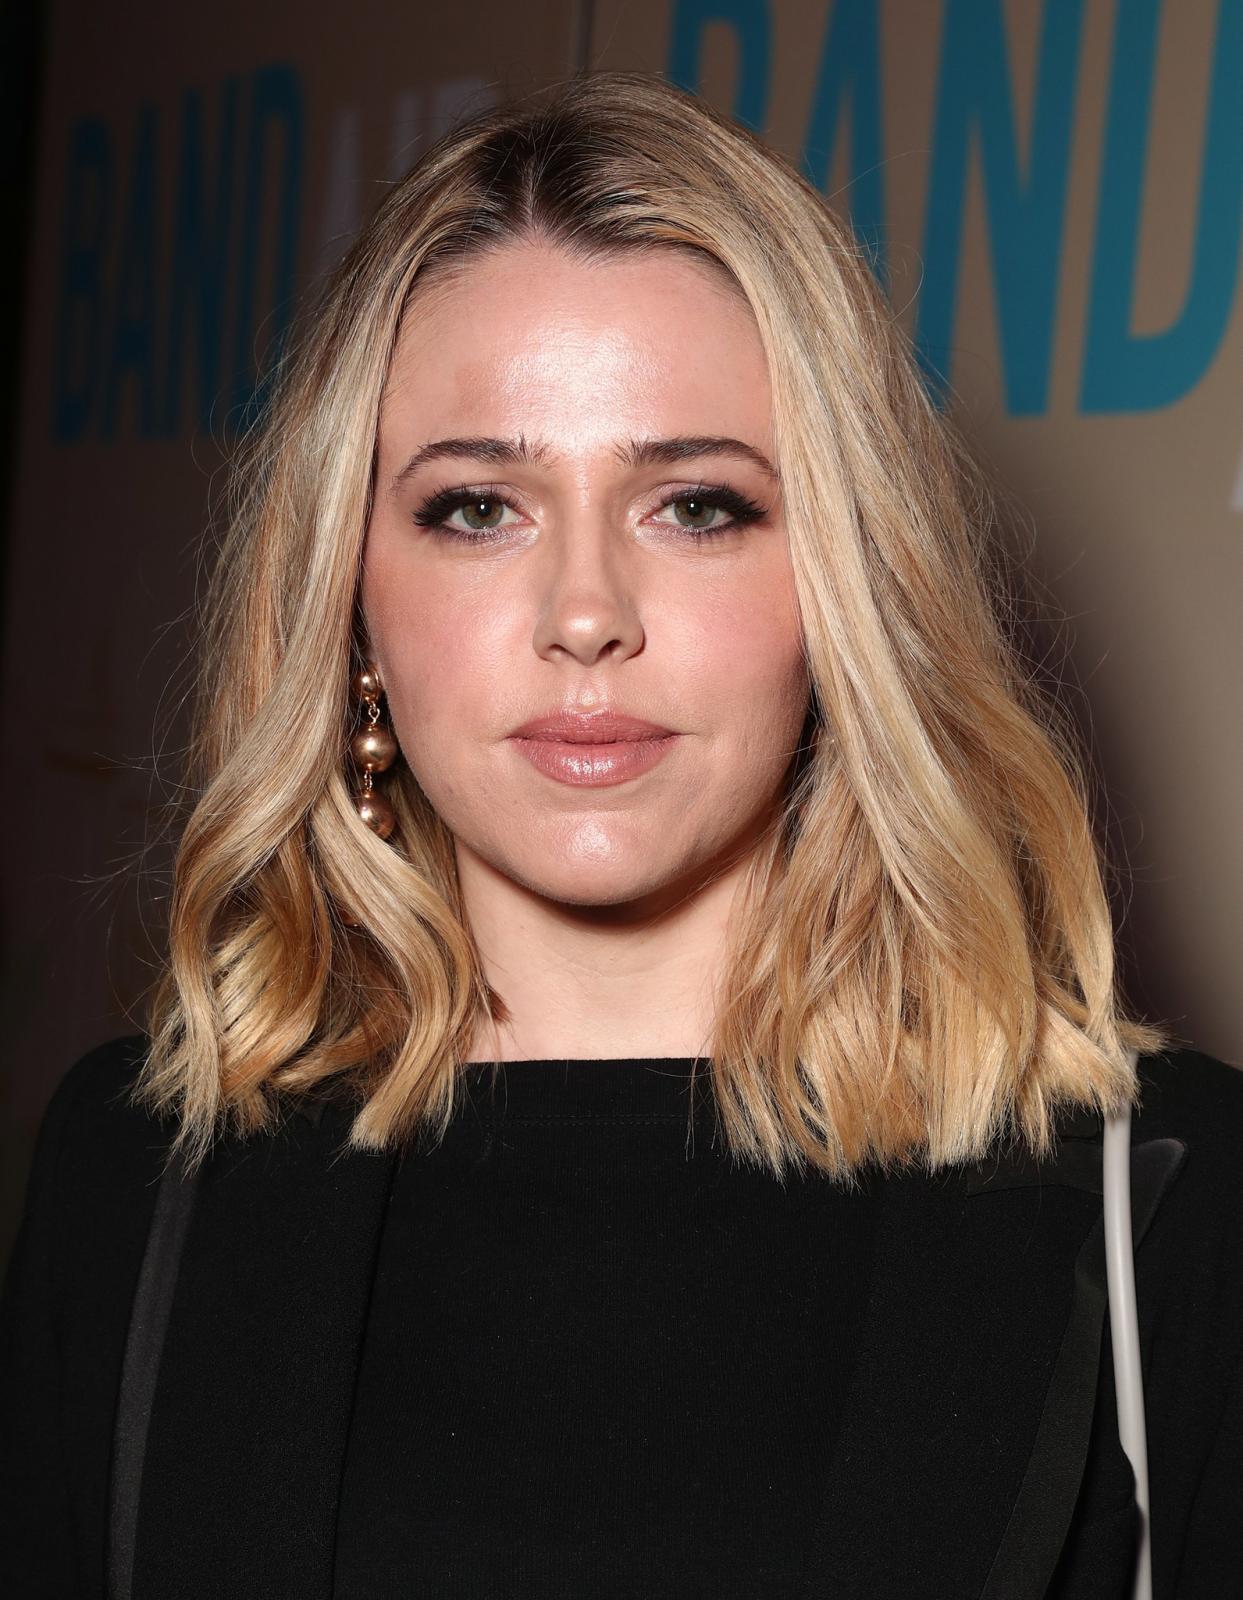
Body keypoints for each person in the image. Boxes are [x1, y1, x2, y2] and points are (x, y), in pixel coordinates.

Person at [1, 68, 1240, 1600]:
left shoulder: (1162, 1205)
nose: (585, 613)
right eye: (478, 507)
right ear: (351, 602)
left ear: (845, 586)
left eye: (697, 505)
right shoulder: (138, 1177)